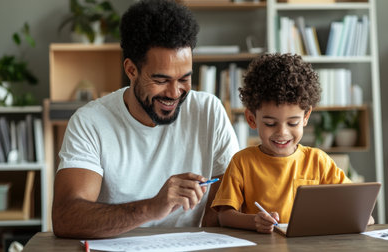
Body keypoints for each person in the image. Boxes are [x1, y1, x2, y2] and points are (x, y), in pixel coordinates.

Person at [52, 0, 239, 239]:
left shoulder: (209, 111)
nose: (174, 93)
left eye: (184, 79)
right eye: (161, 80)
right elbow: (65, 217)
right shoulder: (90, 122)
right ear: (131, 70)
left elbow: (226, 207)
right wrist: (151, 208)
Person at [211, 53, 368, 234]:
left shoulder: (318, 161)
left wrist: (361, 217)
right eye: (270, 123)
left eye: (292, 123)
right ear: (251, 119)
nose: (282, 133)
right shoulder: (242, 162)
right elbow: (224, 215)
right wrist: (254, 221)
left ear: (306, 117)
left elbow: (357, 207)